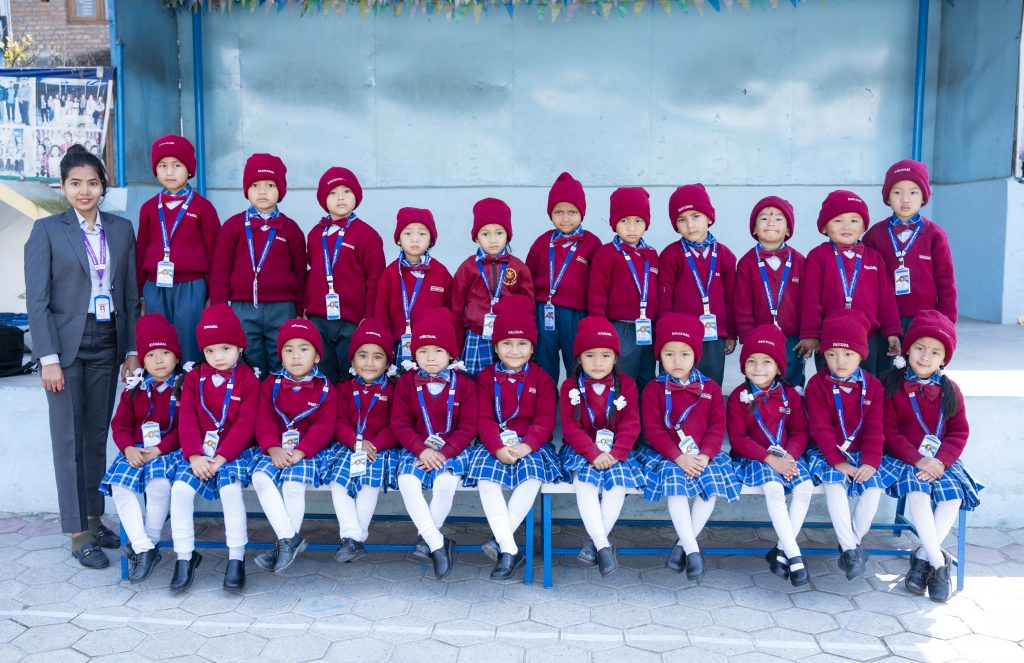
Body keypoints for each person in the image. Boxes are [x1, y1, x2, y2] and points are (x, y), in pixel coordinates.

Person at [24, 144, 140, 569]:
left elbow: (130, 294)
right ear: (63, 187)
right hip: (66, 346)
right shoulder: (47, 231)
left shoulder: (121, 230)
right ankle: (77, 534)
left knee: (94, 436)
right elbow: (37, 301)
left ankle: (94, 518)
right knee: (68, 438)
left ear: (103, 187)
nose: (84, 191)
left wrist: (131, 350)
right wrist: (48, 358)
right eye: (75, 183)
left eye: (92, 183)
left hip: (108, 341)